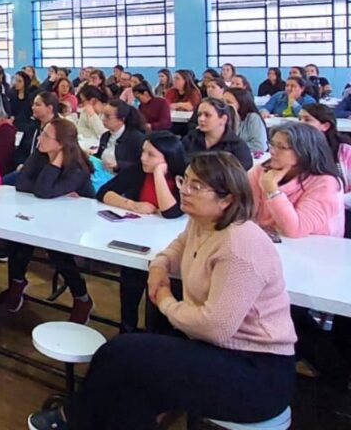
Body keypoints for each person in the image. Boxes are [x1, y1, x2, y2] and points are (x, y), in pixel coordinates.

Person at [28, 152, 297, 430]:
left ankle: (74, 420)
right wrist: (159, 266)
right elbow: (176, 249)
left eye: (196, 186)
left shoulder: (240, 246)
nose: (184, 191)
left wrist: (166, 302)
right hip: (217, 350)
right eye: (185, 181)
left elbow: (214, 327)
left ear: (227, 199)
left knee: (121, 354)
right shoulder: (203, 222)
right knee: (131, 382)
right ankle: (78, 419)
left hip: (257, 373)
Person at [7, 118, 96, 324]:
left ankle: (82, 298)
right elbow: (21, 184)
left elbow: (43, 190)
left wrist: (54, 166)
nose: (40, 138)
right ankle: (17, 281)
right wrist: (47, 188)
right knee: (19, 237)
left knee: (57, 250)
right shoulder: (39, 155)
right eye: (42, 133)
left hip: (76, 220)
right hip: (44, 213)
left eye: (46, 135)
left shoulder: (77, 167)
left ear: (61, 144)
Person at [96, 131, 186, 332]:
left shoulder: (183, 176)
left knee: (163, 288)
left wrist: (158, 174)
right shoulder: (138, 170)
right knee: (131, 276)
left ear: (167, 159)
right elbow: (104, 192)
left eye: (151, 155)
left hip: (171, 246)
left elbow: (171, 212)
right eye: (143, 152)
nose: (143, 158)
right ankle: (127, 327)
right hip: (139, 237)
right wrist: (132, 204)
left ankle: (156, 333)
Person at [248, 121, 344, 238]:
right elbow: (242, 211)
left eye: (282, 147)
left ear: (304, 152)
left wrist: (272, 192)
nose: (272, 151)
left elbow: (296, 229)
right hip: (267, 242)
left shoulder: (325, 183)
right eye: (272, 144)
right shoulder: (260, 171)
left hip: (311, 249)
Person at [300, 103, 351, 233]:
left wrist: (335, 200)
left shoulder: (345, 152)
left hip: (343, 211)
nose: (300, 123)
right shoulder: (297, 151)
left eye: (307, 120)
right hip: (307, 210)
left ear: (325, 126)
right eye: (299, 119)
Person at [183, 98, 253, 170]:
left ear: (223, 119)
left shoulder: (237, 147)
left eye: (207, 115)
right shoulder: (189, 140)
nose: (201, 119)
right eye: (199, 115)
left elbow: (241, 176)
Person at [94, 99, 146, 174]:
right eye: (102, 115)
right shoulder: (105, 136)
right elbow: (99, 157)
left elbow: (141, 166)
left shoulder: (136, 138)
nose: (103, 119)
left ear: (121, 119)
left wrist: (119, 165)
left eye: (107, 116)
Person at [14, 91, 60, 172]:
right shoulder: (32, 126)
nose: (33, 107)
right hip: (25, 169)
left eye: (37, 105)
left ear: (49, 108)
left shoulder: (59, 129)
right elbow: (21, 150)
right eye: (33, 104)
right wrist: (20, 163)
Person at [223, 87, 267, 154]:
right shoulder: (222, 119)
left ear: (241, 103)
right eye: (222, 102)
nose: (224, 106)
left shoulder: (252, 118)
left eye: (229, 102)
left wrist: (234, 147)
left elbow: (260, 146)